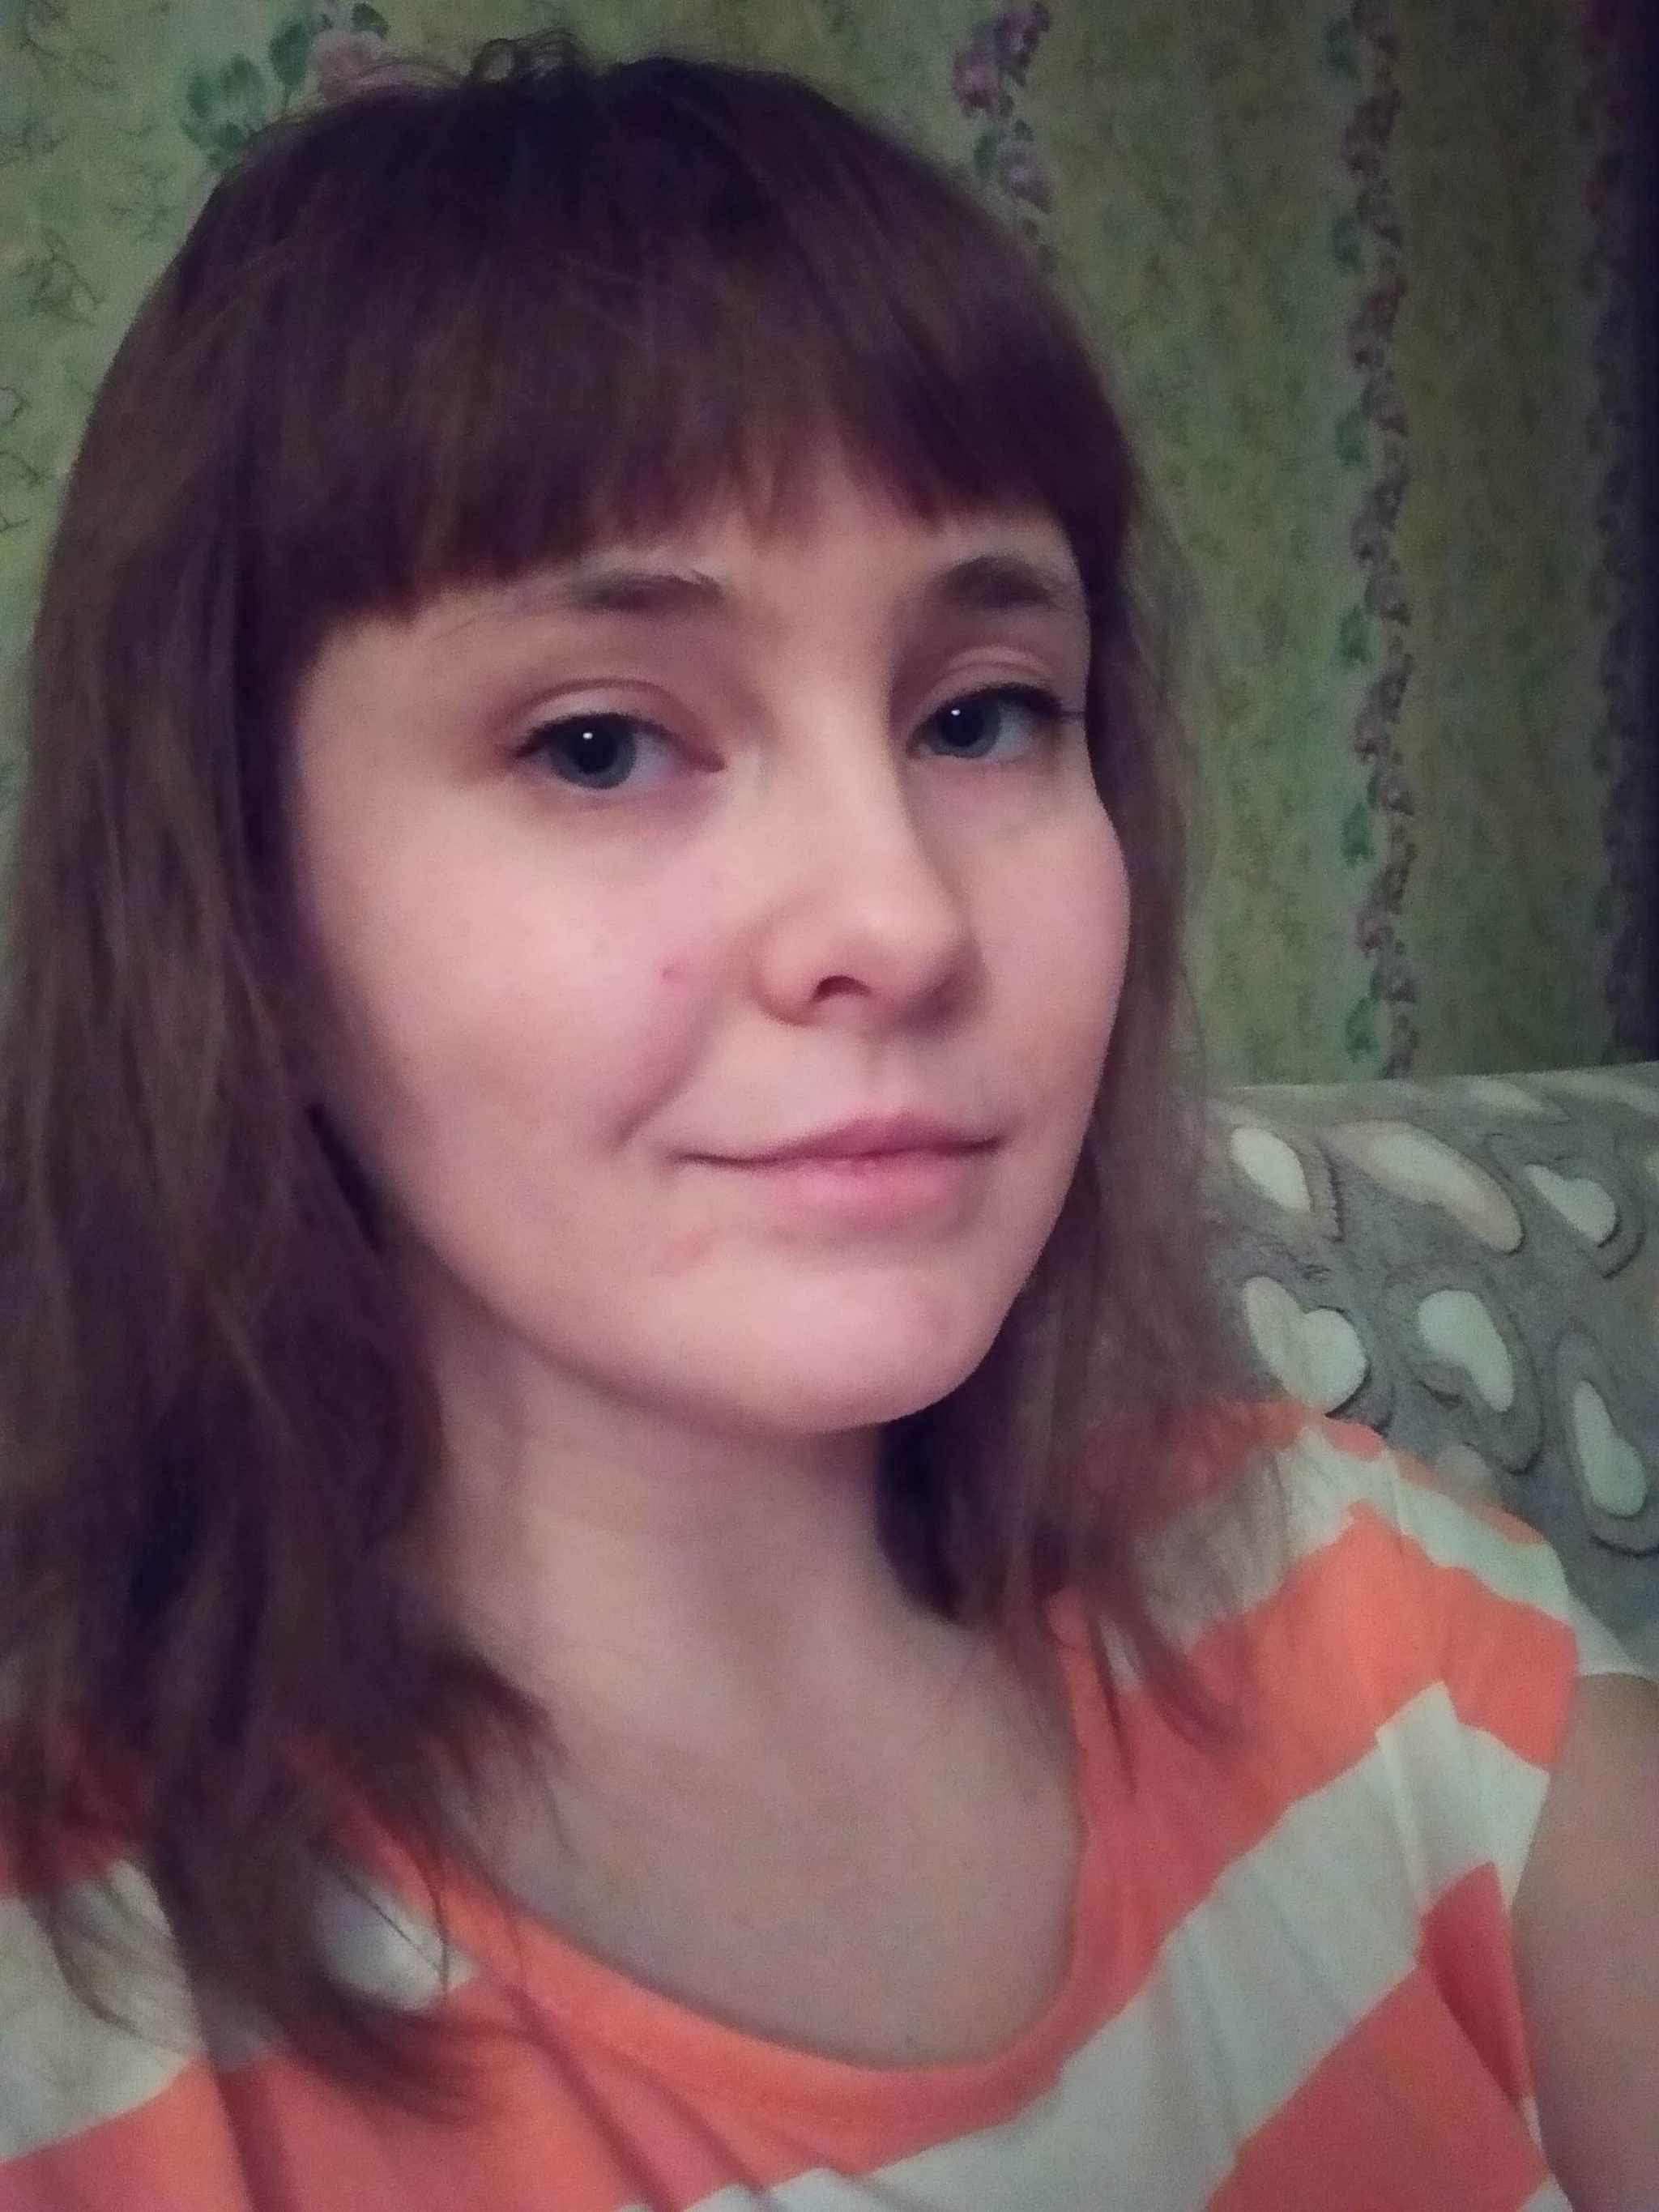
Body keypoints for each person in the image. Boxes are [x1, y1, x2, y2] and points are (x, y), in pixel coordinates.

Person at [0, 33, 1653, 2212]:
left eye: (983, 714)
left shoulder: (1359, 1599)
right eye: (600, 743)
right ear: (246, 907)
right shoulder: (79, 2013)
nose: (897, 916)